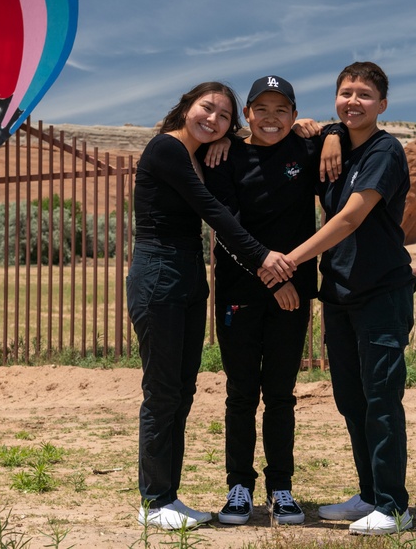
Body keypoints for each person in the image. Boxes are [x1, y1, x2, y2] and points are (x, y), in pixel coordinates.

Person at [126, 82, 296, 531]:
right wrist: (264, 259)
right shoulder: (165, 149)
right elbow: (212, 210)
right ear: (187, 107)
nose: (213, 120)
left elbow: (264, 136)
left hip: (187, 276)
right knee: (162, 391)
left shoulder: (201, 153)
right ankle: (154, 500)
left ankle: (168, 497)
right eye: (207, 109)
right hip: (158, 273)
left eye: (223, 116)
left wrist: (228, 139)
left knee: (181, 391)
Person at [260, 61, 416, 536]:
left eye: (365, 95)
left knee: (382, 398)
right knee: (352, 400)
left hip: (381, 293)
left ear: (382, 105)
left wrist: (290, 260)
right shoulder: (333, 147)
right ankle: (370, 494)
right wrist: (328, 132)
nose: (354, 101)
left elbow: (350, 218)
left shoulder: (385, 151)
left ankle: (393, 507)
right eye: (346, 93)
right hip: (340, 293)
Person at [202, 75, 343, 526]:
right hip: (241, 294)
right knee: (241, 395)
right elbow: (226, 229)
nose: (271, 118)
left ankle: (281, 488)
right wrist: (273, 279)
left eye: (282, 109)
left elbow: (341, 130)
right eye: (261, 108)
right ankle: (238, 487)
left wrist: (329, 133)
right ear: (246, 115)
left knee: (281, 396)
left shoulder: (305, 149)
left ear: (294, 113)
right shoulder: (224, 156)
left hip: (292, 297)